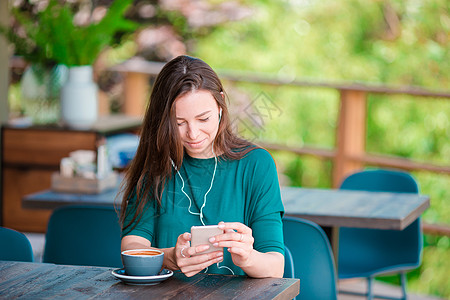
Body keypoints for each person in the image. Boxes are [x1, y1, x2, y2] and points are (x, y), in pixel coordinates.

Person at [120, 55, 285, 278]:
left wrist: (248, 258)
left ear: (220, 107)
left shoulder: (256, 165)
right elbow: (131, 246)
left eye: (203, 119)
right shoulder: (156, 162)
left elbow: (276, 267)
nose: (193, 134)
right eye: (179, 123)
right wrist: (170, 258)